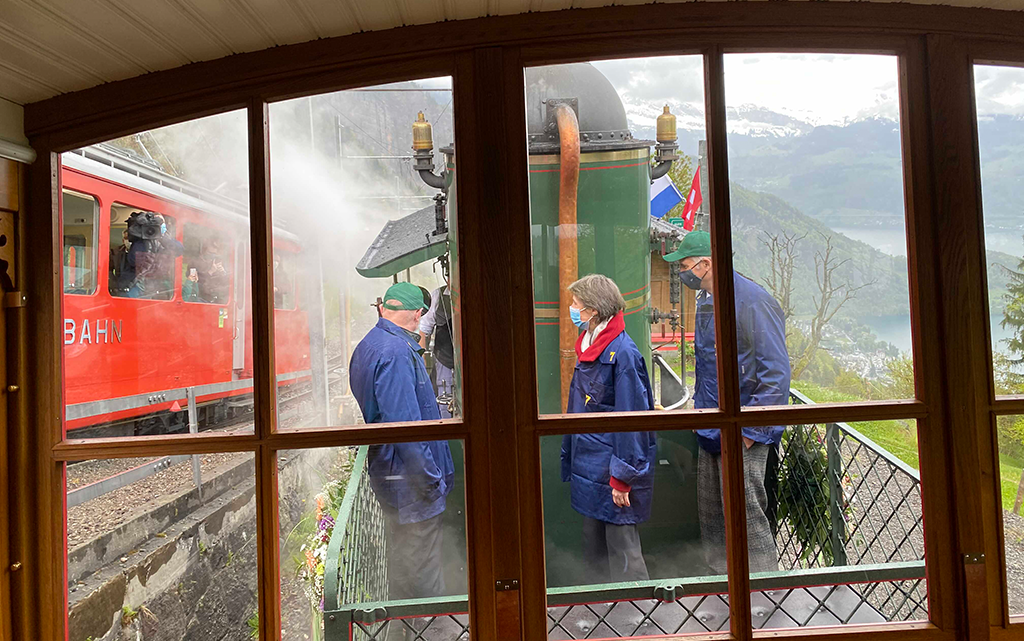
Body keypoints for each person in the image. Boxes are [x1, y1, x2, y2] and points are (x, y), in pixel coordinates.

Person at [662, 230, 791, 574]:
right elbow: (708, 364)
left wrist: (749, 432)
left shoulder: (753, 301)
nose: (683, 273)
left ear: (706, 264)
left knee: (746, 515)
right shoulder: (706, 299)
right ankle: (722, 584)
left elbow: (776, 373)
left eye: (686, 265)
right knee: (714, 514)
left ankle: (765, 589)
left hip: (742, 430)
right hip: (712, 426)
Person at [349, 281, 455, 606]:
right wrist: (430, 481)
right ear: (417, 313)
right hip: (410, 482)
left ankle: (411, 618)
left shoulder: (370, 344)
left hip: (391, 472)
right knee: (424, 568)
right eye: (420, 316)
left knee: (406, 557)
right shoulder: (396, 353)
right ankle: (429, 624)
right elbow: (408, 428)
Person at [561, 273, 657, 584]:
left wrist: (623, 477)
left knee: (623, 549)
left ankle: (637, 616)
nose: (572, 310)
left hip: (611, 469)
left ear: (594, 310)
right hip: (590, 466)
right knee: (594, 546)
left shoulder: (623, 354)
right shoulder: (589, 345)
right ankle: (600, 610)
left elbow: (632, 420)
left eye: (577, 304)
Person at [124, 211, 183, 299]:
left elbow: (179, 250)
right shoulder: (140, 242)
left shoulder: (166, 240)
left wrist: (163, 238)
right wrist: (144, 238)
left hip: (158, 288)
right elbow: (133, 261)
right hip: (138, 287)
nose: (156, 227)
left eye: (160, 223)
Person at [419, 285, 455, 418]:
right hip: (444, 359)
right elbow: (423, 330)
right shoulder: (438, 296)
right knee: (444, 397)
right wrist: (420, 360)